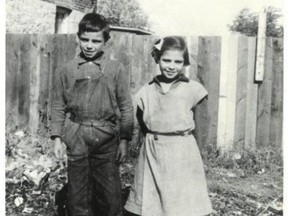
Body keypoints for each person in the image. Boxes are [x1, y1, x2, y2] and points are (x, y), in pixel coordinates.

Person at [50, 13, 133, 216]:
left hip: (105, 137)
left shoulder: (115, 69)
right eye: (85, 39)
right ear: (78, 38)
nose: (89, 45)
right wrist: (57, 138)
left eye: (96, 41)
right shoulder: (66, 70)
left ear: (106, 42)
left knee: (109, 193)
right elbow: (58, 106)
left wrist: (124, 140)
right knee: (77, 192)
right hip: (76, 135)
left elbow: (126, 108)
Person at [124, 36, 213, 216]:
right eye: (166, 60)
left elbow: (203, 127)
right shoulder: (146, 91)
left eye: (178, 61)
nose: (171, 66)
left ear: (184, 63)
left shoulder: (193, 90)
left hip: (182, 152)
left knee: (181, 201)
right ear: (158, 59)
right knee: (152, 200)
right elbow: (142, 123)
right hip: (153, 151)